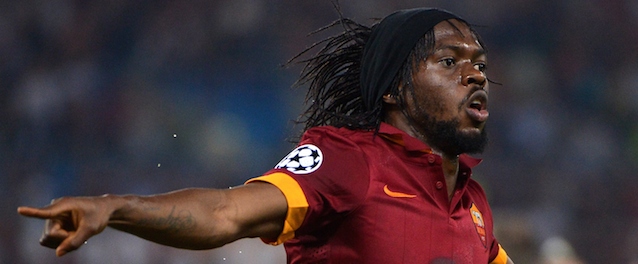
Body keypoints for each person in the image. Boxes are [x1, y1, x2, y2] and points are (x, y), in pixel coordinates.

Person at [18, 7, 514, 264]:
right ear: (395, 90)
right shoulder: (349, 160)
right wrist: (116, 209)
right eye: (449, 62)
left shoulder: (471, 206)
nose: (475, 76)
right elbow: (226, 212)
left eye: (481, 65)